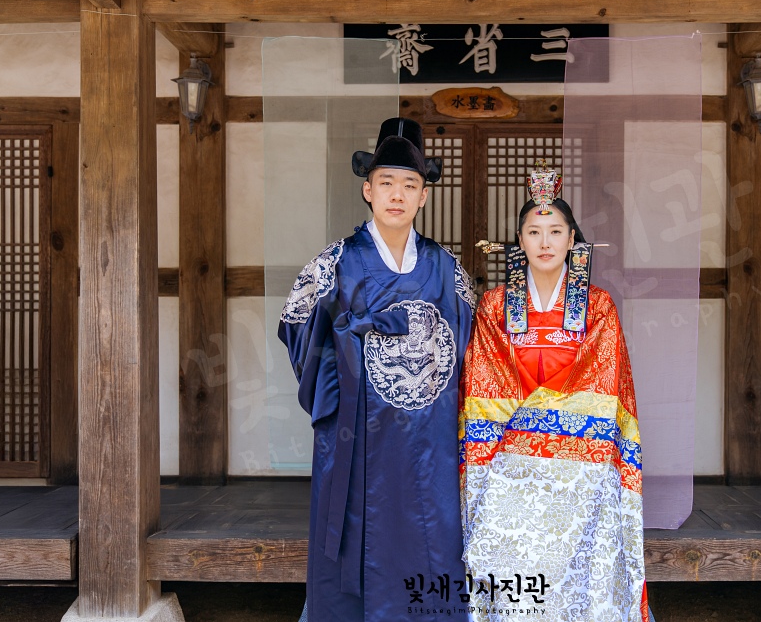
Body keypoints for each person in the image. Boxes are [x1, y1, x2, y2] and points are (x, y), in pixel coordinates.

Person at [279, 118, 476, 621]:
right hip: (358, 438)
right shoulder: (336, 262)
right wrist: (341, 376)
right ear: (368, 189)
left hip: (429, 440)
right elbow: (297, 325)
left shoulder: (446, 268)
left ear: (424, 197)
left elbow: (473, 348)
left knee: (432, 539)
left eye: (409, 185)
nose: (397, 195)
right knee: (357, 543)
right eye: (386, 182)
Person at [460, 164, 652, 621]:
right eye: (533, 232)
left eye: (555, 232)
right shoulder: (494, 306)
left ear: (572, 240)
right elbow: (486, 380)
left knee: (583, 556)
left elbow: (603, 382)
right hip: (506, 458)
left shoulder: (598, 306)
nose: (544, 242)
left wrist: (551, 439)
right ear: (519, 242)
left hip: (582, 461)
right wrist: (525, 444)